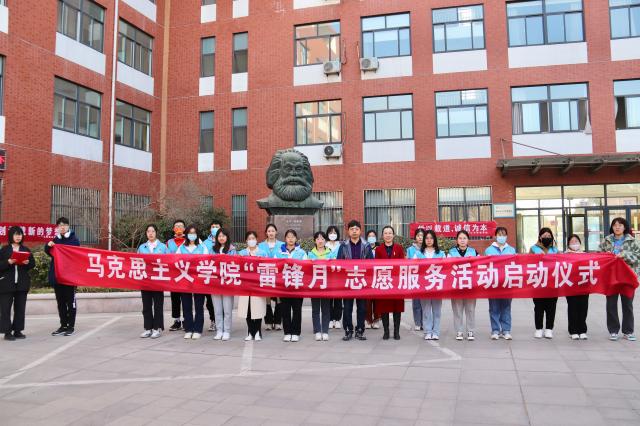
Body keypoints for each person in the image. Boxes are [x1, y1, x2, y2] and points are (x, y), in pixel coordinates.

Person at [599, 217, 640, 341]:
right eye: (615, 225)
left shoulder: (632, 241)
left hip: (628, 277)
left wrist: (624, 255)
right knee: (611, 304)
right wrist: (606, 256)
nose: (617, 227)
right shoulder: (606, 240)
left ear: (624, 227)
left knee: (627, 305)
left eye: (620, 225)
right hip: (611, 277)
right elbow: (599, 255)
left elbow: (638, 256)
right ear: (612, 227)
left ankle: (628, 331)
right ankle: (613, 331)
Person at [337, 220, 374, 341]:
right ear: (348, 231)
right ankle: (348, 330)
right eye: (352, 229)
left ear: (360, 231)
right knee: (347, 307)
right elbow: (339, 262)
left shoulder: (366, 245)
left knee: (362, 307)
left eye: (356, 229)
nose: (354, 231)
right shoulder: (343, 245)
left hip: (362, 281)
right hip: (348, 281)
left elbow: (371, 263)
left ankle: (360, 330)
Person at [45, 217, 80, 336]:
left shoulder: (74, 240)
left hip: (70, 278)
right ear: (57, 227)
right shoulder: (56, 239)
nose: (62, 227)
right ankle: (63, 325)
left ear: (68, 226)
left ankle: (71, 326)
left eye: (64, 225)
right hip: (58, 276)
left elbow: (73, 251)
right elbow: (48, 251)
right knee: (60, 303)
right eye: (60, 225)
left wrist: (58, 245)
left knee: (71, 302)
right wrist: (48, 245)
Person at [0, 226, 35, 341]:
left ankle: (18, 330)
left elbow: (32, 264)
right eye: (16, 234)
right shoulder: (4, 250)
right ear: (11, 236)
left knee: (20, 308)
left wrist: (27, 262)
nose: (18, 236)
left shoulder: (25, 249)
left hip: (21, 284)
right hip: (6, 284)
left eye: (20, 234)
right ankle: (7, 332)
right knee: (5, 309)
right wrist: (8, 262)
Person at [485, 227, 517, 340]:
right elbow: (485, 265)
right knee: (494, 307)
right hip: (493, 282)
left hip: (507, 282)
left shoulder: (511, 250)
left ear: (506, 236)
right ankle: (495, 330)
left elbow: (516, 265)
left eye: (503, 234)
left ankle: (506, 330)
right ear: (495, 236)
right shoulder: (489, 250)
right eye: (499, 234)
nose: (501, 236)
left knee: (506, 307)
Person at [177, 225, 208, 340]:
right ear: (186, 234)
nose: (192, 235)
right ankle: (188, 329)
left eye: (194, 233)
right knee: (186, 305)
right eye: (190, 233)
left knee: (199, 305)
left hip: (199, 280)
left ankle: (198, 329)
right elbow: (176, 261)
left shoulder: (202, 247)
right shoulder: (181, 248)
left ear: (197, 234)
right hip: (185, 280)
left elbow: (206, 262)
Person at [137, 224, 168, 339]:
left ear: (156, 233)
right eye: (148, 231)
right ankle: (148, 328)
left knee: (158, 305)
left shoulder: (163, 247)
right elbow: (137, 262)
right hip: (145, 280)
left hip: (158, 281)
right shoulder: (142, 247)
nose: (150, 233)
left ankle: (157, 328)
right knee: (146, 306)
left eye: (153, 231)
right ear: (146, 233)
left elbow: (168, 261)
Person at [374, 226, 405, 340]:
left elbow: (403, 264)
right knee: (384, 307)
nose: (388, 235)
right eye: (385, 233)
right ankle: (386, 331)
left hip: (396, 282)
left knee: (397, 307)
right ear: (382, 236)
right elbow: (376, 265)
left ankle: (396, 331)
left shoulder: (399, 248)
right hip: (384, 281)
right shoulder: (378, 249)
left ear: (393, 235)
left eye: (390, 233)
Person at [276, 229, 307, 342]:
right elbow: (275, 267)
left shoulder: (302, 252)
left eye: (293, 237)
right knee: (285, 310)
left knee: (297, 310)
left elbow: (306, 267)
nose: (290, 239)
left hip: (298, 286)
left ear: (296, 238)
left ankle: (296, 332)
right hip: (284, 286)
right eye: (288, 237)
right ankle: (287, 332)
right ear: (285, 239)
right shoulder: (278, 252)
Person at [530, 227, 559, 339]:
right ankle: (538, 329)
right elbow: (528, 263)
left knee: (551, 307)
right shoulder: (534, 248)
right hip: (538, 282)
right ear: (540, 237)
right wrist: (536, 258)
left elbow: (561, 263)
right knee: (538, 307)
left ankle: (549, 329)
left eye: (549, 236)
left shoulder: (555, 250)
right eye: (544, 236)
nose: (547, 238)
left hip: (552, 283)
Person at [448, 230, 478, 341]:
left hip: (470, 286)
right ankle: (459, 331)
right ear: (457, 240)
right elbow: (447, 267)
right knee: (457, 310)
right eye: (460, 238)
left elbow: (479, 266)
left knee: (470, 309)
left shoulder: (474, 252)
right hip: (456, 286)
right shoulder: (451, 252)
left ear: (468, 240)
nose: (462, 240)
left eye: (464, 238)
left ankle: (470, 331)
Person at [238, 231, 267, 341]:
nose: (251, 240)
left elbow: (267, 267)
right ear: (246, 240)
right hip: (245, 285)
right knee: (248, 309)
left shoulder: (262, 253)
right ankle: (250, 331)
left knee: (258, 308)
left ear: (256, 239)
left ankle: (258, 332)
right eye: (249, 239)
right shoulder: (241, 253)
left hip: (258, 285)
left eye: (253, 238)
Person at [418, 230, 446, 340]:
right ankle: (427, 331)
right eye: (427, 238)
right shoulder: (419, 254)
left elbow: (446, 268)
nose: (429, 240)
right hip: (423, 286)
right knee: (426, 310)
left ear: (434, 240)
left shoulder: (441, 253)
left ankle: (436, 332)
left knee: (437, 311)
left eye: (431, 238)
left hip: (437, 285)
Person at [308, 231, 334, 341]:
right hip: (314, 284)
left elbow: (334, 267)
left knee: (326, 309)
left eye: (322, 239)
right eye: (318, 239)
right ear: (315, 241)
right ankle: (318, 330)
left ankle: (325, 330)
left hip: (326, 284)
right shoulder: (310, 254)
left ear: (325, 241)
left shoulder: (330, 253)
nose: (320, 241)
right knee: (315, 309)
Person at [211, 228, 237, 341]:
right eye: (219, 236)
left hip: (227, 283)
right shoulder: (212, 249)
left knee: (227, 310)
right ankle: (219, 330)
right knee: (217, 310)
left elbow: (235, 264)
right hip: (215, 283)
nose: (221, 238)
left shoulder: (232, 250)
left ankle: (226, 331)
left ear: (227, 237)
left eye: (223, 236)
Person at [259, 223, 283, 331]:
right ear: (266, 233)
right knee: (267, 299)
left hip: (278, 275)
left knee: (279, 298)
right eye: (269, 231)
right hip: (265, 274)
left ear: (276, 232)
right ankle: (268, 321)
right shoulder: (260, 245)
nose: (271, 233)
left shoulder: (282, 245)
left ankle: (278, 322)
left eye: (273, 231)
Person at [565, 234, 589, 340]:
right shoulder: (564, 255)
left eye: (576, 241)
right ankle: (573, 330)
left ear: (580, 243)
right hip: (571, 285)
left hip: (584, 284)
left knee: (583, 307)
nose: (574, 243)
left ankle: (582, 330)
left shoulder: (585, 255)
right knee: (572, 307)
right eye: (572, 241)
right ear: (568, 244)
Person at [167, 219, 187, 332]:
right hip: (173, 274)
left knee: (185, 298)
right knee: (175, 298)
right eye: (176, 226)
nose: (178, 228)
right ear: (173, 229)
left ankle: (186, 319)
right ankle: (177, 320)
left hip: (185, 274)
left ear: (184, 229)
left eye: (181, 226)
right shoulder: (169, 242)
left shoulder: (188, 241)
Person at [203, 220, 222, 333]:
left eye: (217, 226)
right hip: (209, 275)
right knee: (210, 301)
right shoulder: (205, 243)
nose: (215, 228)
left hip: (221, 276)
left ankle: (222, 321)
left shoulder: (225, 240)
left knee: (222, 300)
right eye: (213, 226)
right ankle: (213, 320)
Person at [406, 228, 426, 331]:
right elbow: (407, 263)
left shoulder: (428, 248)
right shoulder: (410, 249)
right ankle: (418, 322)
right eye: (418, 235)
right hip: (415, 278)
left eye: (422, 235)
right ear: (415, 237)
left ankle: (425, 322)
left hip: (426, 278)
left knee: (426, 302)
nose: (420, 237)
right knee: (416, 302)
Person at [325, 225, 342, 330]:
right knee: (329, 299)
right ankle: (330, 319)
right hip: (327, 275)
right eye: (330, 232)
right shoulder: (324, 245)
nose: (332, 234)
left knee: (338, 298)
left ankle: (338, 319)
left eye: (334, 233)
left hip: (339, 275)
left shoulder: (341, 245)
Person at [365, 229, 381, 330]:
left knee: (377, 299)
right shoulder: (364, 248)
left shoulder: (379, 248)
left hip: (378, 276)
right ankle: (367, 320)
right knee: (367, 299)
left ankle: (376, 319)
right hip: (367, 276)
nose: (371, 238)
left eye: (373, 236)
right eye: (369, 236)